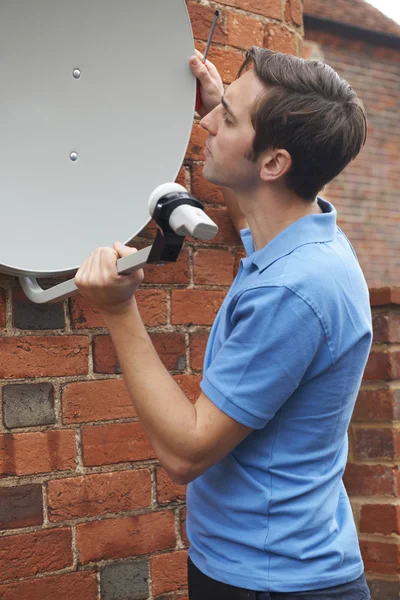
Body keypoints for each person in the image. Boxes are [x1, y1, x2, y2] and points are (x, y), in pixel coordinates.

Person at [75, 47, 373, 599]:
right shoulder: (304, 237)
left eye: (226, 119)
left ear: (273, 164)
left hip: (274, 582)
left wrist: (118, 311)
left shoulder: (295, 288)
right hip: (255, 563)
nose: (207, 122)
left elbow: (186, 452)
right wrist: (229, 109)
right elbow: (253, 212)